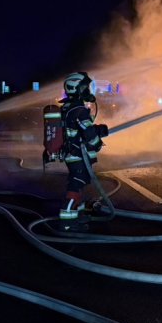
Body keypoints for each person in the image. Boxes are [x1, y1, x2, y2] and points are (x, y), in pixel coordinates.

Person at [59, 71, 108, 229]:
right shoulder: (79, 110)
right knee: (76, 184)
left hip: (72, 154)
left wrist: (98, 129)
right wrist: (97, 142)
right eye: (85, 87)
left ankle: (78, 215)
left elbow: (80, 129)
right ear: (76, 88)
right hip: (77, 155)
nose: (88, 91)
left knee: (78, 184)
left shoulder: (69, 107)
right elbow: (88, 133)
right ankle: (67, 221)